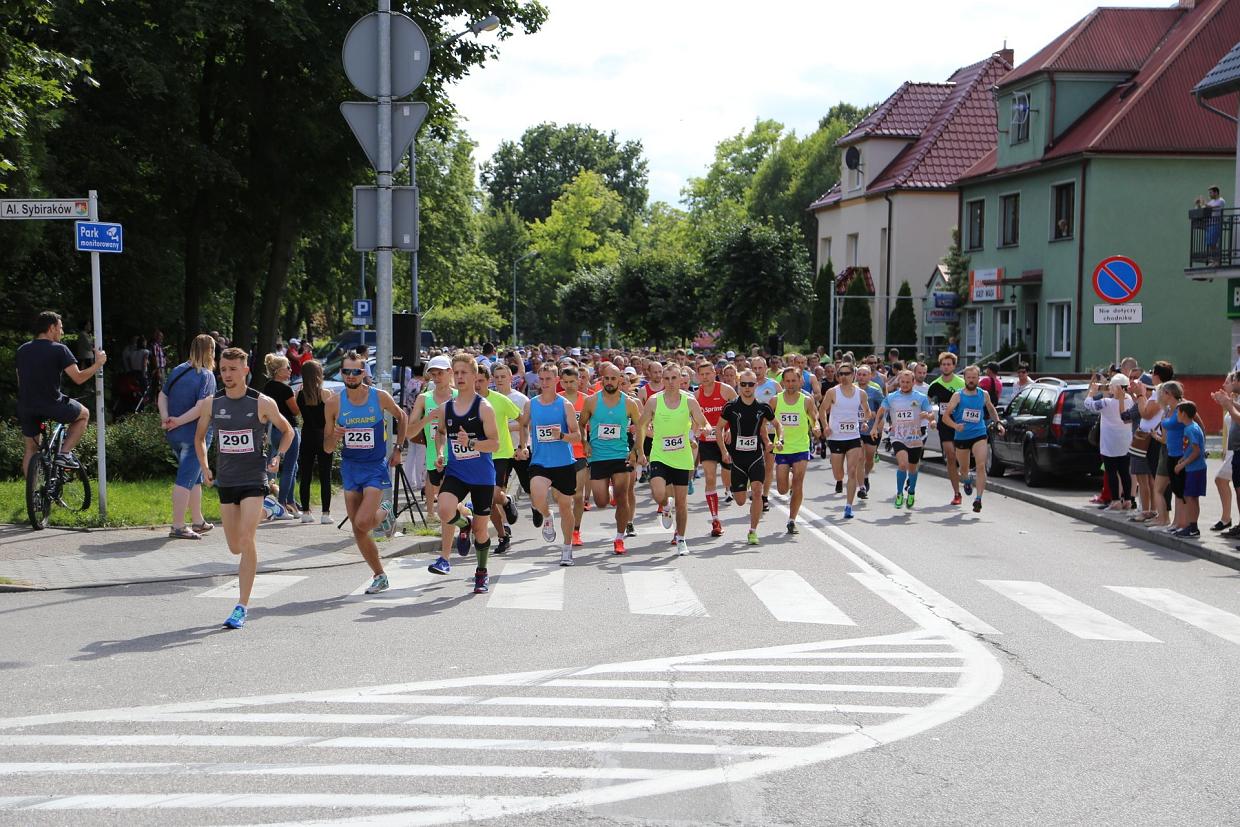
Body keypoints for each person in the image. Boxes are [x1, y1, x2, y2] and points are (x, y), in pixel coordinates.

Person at [193, 347, 294, 629]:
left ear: (245, 371)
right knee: (234, 546)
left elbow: (288, 430)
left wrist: (278, 456)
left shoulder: (262, 402)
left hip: (253, 479)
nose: (226, 375)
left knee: (247, 541)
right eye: (223, 370)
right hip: (227, 480)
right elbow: (200, 437)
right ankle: (267, 511)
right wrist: (204, 466)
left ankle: (241, 606)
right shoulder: (212, 403)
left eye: (232, 369)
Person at [323, 350, 407, 594]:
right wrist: (334, 437)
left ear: (364, 373)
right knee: (358, 530)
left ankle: (386, 511)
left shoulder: (378, 397)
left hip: (375, 467)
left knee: (361, 521)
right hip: (350, 468)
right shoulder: (333, 403)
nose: (351, 376)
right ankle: (380, 575)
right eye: (346, 371)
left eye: (356, 371)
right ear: (341, 374)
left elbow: (401, 416)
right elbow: (327, 449)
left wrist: (398, 448)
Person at [432, 353, 502, 593]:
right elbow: (440, 433)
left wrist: (472, 444)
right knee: (443, 509)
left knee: (482, 531)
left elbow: (495, 444)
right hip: (457, 472)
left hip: (482, 475)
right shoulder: (446, 408)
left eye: (464, 372)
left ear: (474, 376)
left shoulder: (484, 407)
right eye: (456, 372)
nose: (460, 377)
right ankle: (464, 524)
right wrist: (440, 452)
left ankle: (481, 573)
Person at [16, 311, 107, 475]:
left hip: (26, 406)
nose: (62, 332)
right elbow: (78, 378)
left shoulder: (22, 350)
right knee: (84, 414)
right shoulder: (59, 349)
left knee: (31, 449)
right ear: (51, 328)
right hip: (51, 404)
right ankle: (64, 453)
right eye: (61, 328)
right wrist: (98, 364)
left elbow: (20, 381)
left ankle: (33, 496)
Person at [636, 361, 710, 556]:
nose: (670, 382)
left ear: (681, 379)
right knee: (659, 494)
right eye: (666, 378)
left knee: (682, 502)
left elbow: (702, 421)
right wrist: (640, 451)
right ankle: (665, 505)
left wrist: (706, 428)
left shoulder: (689, 400)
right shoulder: (654, 401)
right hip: (660, 454)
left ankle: (682, 539)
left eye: (674, 378)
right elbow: (641, 425)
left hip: (682, 456)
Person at [519, 362, 581, 566]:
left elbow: (577, 436)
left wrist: (562, 435)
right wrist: (523, 445)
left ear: (556, 380)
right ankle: (546, 516)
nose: (544, 383)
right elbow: (524, 425)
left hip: (563, 463)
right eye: (541, 378)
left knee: (566, 507)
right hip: (540, 461)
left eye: (548, 379)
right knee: (537, 497)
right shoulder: (531, 404)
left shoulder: (565, 405)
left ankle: (567, 548)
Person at [158, 334, 218, 539]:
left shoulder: (178, 370)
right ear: (210, 351)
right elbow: (202, 407)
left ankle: (198, 520)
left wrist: (167, 419)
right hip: (194, 436)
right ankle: (178, 526)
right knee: (185, 478)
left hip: (174, 434)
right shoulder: (207, 376)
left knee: (195, 477)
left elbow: (162, 395)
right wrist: (180, 420)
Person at [579, 362, 643, 554]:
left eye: (613, 378)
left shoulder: (629, 403)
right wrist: (585, 442)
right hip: (598, 456)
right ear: (601, 380)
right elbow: (581, 424)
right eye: (606, 378)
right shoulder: (591, 401)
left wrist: (635, 450)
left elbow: (640, 428)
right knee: (600, 501)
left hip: (620, 455)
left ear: (620, 380)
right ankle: (607, 485)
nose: (609, 382)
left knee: (622, 498)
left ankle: (619, 538)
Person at [717, 369, 780, 544]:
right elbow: (718, 428)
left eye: (750, 384)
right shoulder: (731, 407)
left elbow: (777, 424)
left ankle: (753, 531)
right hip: (736, 460)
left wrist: (776, 440)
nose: (747, 388)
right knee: (740, 500)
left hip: (755, 457)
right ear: (738, 384)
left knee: (758, 492)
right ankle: (742, 486)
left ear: (756, 385)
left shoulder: (763, 407)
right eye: (743, 384)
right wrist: (724, 451)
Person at [941, 364, 1005, 513]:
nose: (971, 380)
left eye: (974, 378)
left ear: (978, 378)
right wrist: (955, 426)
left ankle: (978, 499)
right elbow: (945, 417)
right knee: (963, 470)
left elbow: (990, 408)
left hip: (979, 433)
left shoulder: (984, 394)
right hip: (962, 436)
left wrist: (998, 423)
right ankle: (967, 480)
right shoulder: (958, 396)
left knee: (981, 465)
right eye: (968, 378)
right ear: (964, 379)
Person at [474, 362, 523, 557]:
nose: (477, 385)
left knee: (493, 495)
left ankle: (506, 498)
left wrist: (523, 445)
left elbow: (522, 420)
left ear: (489, 381)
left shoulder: (501, 400)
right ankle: (503, 536)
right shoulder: (465, 402)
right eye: (474, 381)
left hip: (500, 453)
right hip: (477, 455)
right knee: (487, 500)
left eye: (480, 381)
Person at [870, 369, 934, 509]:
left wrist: (930, 419)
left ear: (913, 382)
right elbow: (881, 411)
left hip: (915, 437)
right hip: (898, 436)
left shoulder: (920, 397)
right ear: (899, 382)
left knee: (912, 468)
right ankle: (899, 493)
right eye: (902, 382)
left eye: (907, 382)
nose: (904, 384)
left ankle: (911, 491)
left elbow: (930, 412)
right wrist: (875, 427)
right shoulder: (892, 397)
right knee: (903, 465)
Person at [773, 366, 820, 534]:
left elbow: (814, 418)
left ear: (801, 381)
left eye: (794, 380)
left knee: (799, 483)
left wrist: (816, 427)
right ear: (783, 382)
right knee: (782, 489)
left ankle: (792, 520)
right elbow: (765, 420)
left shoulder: (806, 400)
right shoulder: (775, 400)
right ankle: (790, 479)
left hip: (800, 447)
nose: (791, 384)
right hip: (782, 447)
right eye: (788, 381)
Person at [407, 354, 456, 511]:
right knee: (432, 484)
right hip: (433, 452)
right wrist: (428, 419)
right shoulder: (424, 398)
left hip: (456, 453)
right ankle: (430, 515)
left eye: (440, 373)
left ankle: (452, 518)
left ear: (450, 372)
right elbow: (409, 431)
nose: (436, 378)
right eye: (433, 374)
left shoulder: (459, 396)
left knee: (449, 494)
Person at [819, 362, 868, 519]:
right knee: (837, 473)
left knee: (852, 471)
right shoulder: (833, 392)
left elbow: (867, 412)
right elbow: (822, 410)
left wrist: (865, 421)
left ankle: (848, 506)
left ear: (853, 375)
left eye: (847, 374)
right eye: (841, 374)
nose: (844, 377)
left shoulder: (861, 393)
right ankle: (839, 480)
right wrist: (825, 426)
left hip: (853, 436)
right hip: (836, 437)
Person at [694, 359, 737, 537]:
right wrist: (695, 429)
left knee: (728, 478)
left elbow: (740, 412)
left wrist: (732, 431)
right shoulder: (695, 396)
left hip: (726, 439)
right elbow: (692, 419)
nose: (705, 377)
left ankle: (731, 489)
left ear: (714, 373)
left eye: (708, 373)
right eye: (702, 374)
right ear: (698, 377)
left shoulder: (726, 391)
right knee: (710, 477)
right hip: (707, 442)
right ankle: (715, 519)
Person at [1084, 373, 1135, 511]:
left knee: (1111, 471)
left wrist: (1091, 392)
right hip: (1125, 443)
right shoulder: (1130, 400)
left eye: (1111, 386)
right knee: (1125, 472)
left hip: (1110, 443)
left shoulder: (1107, 403)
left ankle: (1115, 500)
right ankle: (1128, 500)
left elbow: (1088, 404)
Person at [261, 354, 301, 519]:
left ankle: (291, 501)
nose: (291, 370)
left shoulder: (268, 387)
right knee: (290, 467)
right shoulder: (286, 389)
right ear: (278, 371)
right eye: (288, 368)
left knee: (293, 467)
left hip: (273, 430)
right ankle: (283, 504)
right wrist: (297, 395)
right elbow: (296, 411)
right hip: (288, 430)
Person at [296, 360, 334, 524]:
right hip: (323, 435)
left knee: (305, 475)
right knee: (326, 475)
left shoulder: (300, 394)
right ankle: (325, 514)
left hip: (307, 435)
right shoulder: (325, 393)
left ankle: (305, 512)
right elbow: (332, 416)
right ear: (318, 375)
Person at [927, 352, 966, 505]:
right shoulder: (935, 384)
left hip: (961, 425)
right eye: (943, 364)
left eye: (949, 364)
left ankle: (966, 476)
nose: (946, 366)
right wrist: (930, 418)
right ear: (940, 366)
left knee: (963, 459)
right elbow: (927, 404)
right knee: (950, 456)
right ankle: (957, 493)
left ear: (954, 366)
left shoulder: (961, 383)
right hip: (945, 424)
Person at [559, 365, 590, 547]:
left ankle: (576, 530)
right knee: (560, 497)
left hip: (579, 452)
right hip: (560, 452)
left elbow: (591, 425)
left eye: (573, 381)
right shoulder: (558, 400)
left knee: (578, 495)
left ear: (579, 380)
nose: (570, 385)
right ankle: (564, 523)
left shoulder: (586, 401)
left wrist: (589, 443)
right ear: (561, 382)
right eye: (566, 382)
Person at [1173, 401, 1206, 538]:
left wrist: (1182, 464)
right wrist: (1183, 458)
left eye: (1178, 413)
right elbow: (1190, 449)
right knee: (1191, 497)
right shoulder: (1191, 427)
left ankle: (1192, 528)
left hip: (1195, 469)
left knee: (1190, 497)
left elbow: (1196, 451)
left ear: (1184, 414)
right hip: (1194, 468)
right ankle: (1192, 526)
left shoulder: (1191, 429)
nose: (1176, 415)